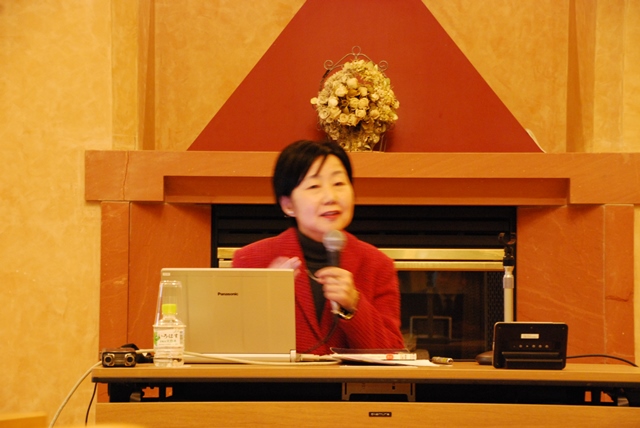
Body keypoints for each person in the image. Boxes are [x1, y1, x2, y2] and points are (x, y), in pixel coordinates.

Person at [232, 140, 405, 355]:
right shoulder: (251, 260)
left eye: (339, 183)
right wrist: (265, 302)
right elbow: (229, 349)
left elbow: (392, 355)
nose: (331, 197)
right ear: (288, 205)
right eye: (314, 186)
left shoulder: (377, 265)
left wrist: (354, 305)